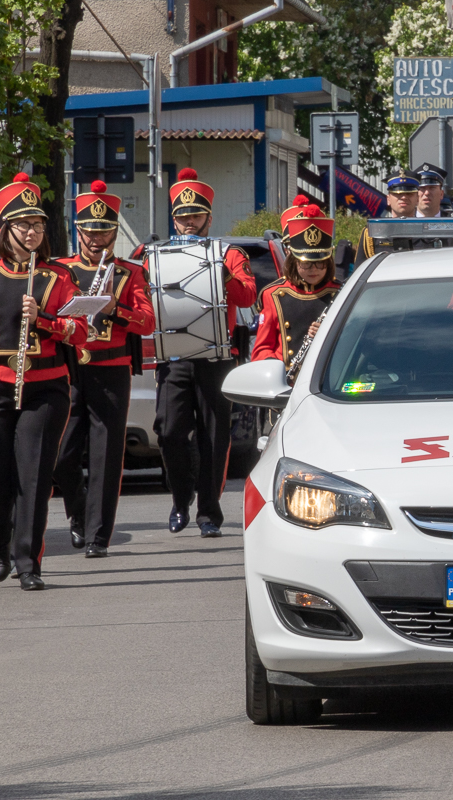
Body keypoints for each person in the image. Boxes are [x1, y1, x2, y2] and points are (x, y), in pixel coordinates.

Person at [0, 173, 87, 590]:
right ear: (5, 230)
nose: (32, 232)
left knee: (34, 476)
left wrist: (45, 321)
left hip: (45, 387)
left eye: (38, 225)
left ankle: (29, 563)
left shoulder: (58, 277)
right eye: (24, 225)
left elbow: (81, 331)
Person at [151, 168, 257, 539]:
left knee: (214, 437)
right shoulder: (158, 255)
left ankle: (209, 512)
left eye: (196, 216)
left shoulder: (229, 254)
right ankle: (181, 499)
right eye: (183, 217)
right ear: (174, 220)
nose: (189, 223)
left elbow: (248, 294)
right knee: (168, 431)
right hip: (175, 357)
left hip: (217, 357)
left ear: (209, 218)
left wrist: (220, 274)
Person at [54, 181, 155, 558]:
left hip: (111, 370)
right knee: (61, 455)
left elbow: (147, 321)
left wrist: (116, 308)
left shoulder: (129, 273)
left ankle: (98, 536)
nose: (96, 239)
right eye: (90, 232)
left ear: (114, 232)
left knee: (106, 456)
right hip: (68, 370)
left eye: (104, 232)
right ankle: (79, 512)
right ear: (77, 231)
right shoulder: (61, 271)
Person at [252, 202, 342, 372]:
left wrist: (330, 334)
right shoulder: (273, 294)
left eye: (320, 263)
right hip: (287, 381)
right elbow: (262, 350)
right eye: (306, 264)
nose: (314, 269)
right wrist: (276, 373)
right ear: (294, 261)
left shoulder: (342, 293)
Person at [359, 168, 421, 258]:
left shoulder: (429, 233)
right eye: (398, 194)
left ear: (417, 199)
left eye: (409, 193)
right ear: (388, 199)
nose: (403, 197)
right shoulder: (373, 234)